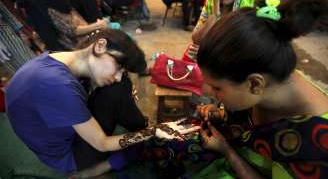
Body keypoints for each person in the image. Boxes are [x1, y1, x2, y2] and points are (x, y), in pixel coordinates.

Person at [5, 29, 200, 176]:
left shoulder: (57, 59)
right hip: (67, 154)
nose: (116, 76)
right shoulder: (57, 84)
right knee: (120, 96)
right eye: (118, 67)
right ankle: (108, 162)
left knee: (119, 88)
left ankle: (144, 130)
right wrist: (153, 131)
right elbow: (102, 144)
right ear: (99, 46)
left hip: (56, 132)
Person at [196, 0, 328, 178]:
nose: (206, 92)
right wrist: (221, 114)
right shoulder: (272, 77)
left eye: (217, 88)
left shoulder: (318, 144)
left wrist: (227, 151)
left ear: (254, 83)